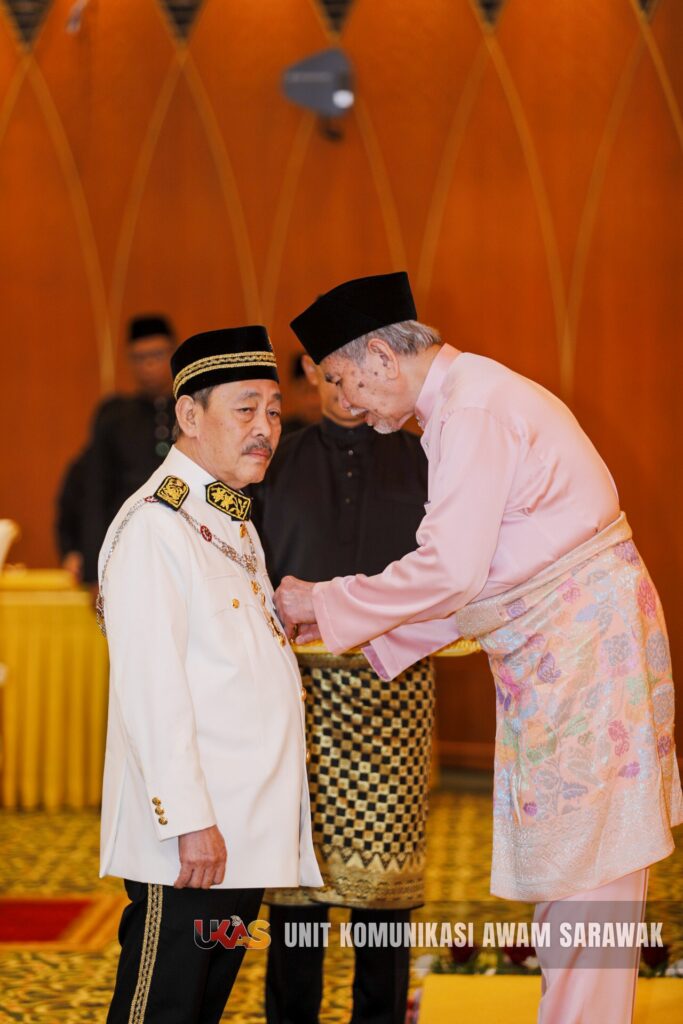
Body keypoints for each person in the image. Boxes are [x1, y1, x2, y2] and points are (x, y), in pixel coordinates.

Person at [275, 272, 683, 1024]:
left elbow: (452, 571)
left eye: (342, 379)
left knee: (585, 876)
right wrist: (351, 626)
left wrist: (323, 602)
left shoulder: (471, 410)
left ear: (379, 357)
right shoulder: (463, 404)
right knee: (576, 878)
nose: (348, 403)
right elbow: (488, 577)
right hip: (568, 654)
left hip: (581, 658)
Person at [98, 326, 322, 1024]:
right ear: (189, 416)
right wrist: (189, 820)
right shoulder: (155, 527)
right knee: (159, 1009)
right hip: (194, 840)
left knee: (199, 1009)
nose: (266, 429)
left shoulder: (229, 519)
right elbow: (150, 690)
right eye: (245, 409)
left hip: (238, 829)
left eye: (275, 411)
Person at [251, 354, 431, 1024]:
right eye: (331, 376)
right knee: (296, 880)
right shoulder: (278, 461)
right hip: (300, 696)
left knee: (385, 889)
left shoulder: (422, 459)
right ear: (309, 370)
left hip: (396, 692)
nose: (348, 391)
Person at [81, 314, 177, 583]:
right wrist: (93, 571)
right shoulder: (114, 416)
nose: (149, 365)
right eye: (139, 357)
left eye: (157, 354)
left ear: (173, 354)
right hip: (127, 544)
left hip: (183, 538)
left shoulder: (194, 410)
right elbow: (96, 491)